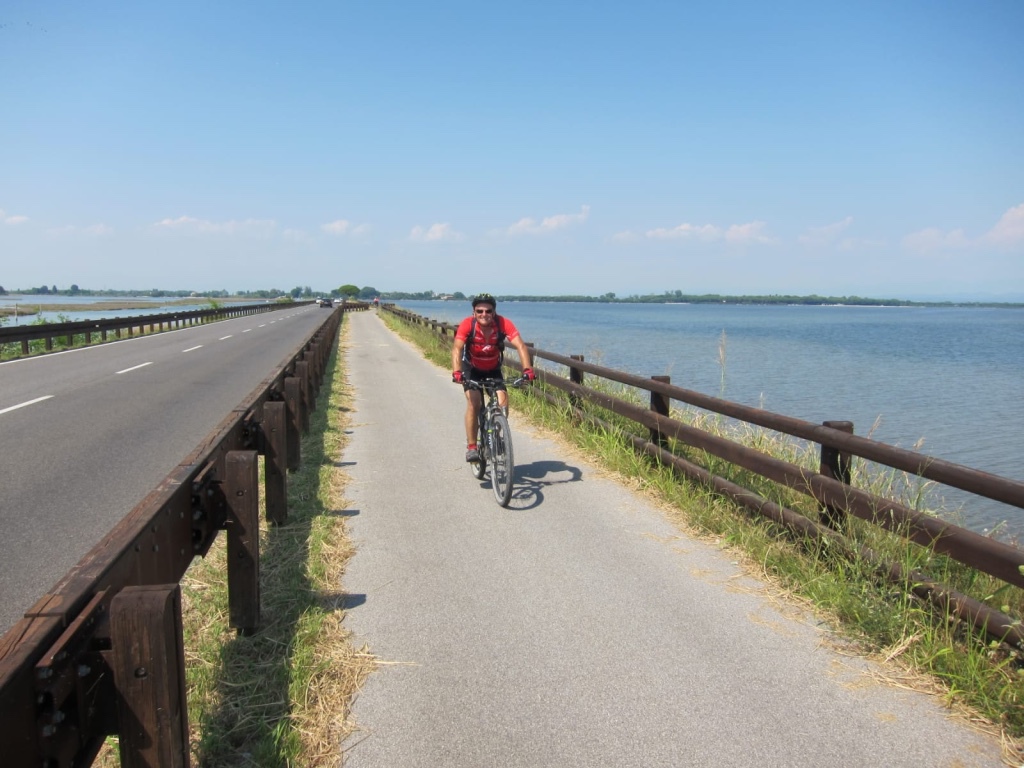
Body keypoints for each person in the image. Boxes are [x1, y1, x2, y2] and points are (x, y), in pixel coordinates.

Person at [451, 293, 535, 462]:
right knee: (474, 403)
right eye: (479, 311)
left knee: (503, 402)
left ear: (494, 311)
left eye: (488, 311)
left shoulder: (503, 323)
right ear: (474, 312)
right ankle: (472, 446)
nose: (484, 314)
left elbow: (520, 345)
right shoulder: (468, 324)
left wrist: (527, 370)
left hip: (493, 369)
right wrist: (457, 372)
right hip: (471, 369)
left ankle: (495, 435)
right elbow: (457, 348)